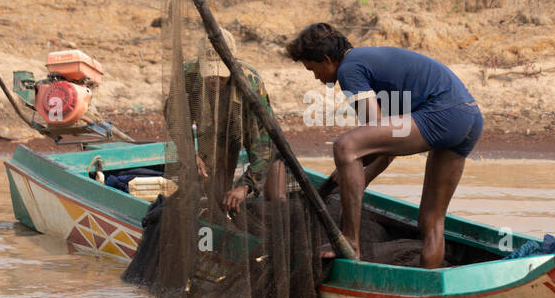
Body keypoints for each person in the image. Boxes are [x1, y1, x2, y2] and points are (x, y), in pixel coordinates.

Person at [285, 23, 483, 268]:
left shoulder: (349, 68)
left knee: (345, 146)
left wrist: (353, 165)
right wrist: (361, 176)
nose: (317, 78)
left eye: (313, 69)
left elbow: (372, 131)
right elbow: (386, 146)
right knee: (431, 221)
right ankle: (428, 289)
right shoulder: (372, 63)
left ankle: (349, 240)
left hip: (443, 114)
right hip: (470, 118)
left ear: (327, 59)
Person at [171, 28, 286, 215]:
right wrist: (190, 152)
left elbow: (263, 142)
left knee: (278, 200)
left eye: (221, 74)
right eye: (210, 73)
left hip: (253, 128)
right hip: (215, 132)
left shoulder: (250, 81)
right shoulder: (188, 74)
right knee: (218, 199)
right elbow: (174, 118)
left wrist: (246, 185)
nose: (215, 79)